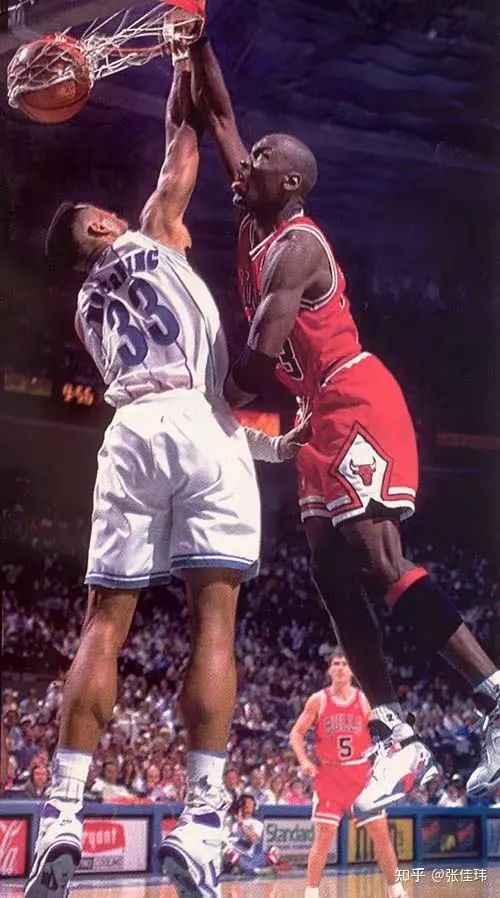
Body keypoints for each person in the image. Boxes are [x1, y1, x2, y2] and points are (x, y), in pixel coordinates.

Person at [188, 32, 500, 813]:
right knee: (330, 573)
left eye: (261, 159)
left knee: (377, 555)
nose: (246, 165)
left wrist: (194, 402)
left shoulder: (295, 248)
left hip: (354, 395)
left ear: (290, 182)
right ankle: (396, 732)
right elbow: (219, 115)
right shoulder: (257, 217)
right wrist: (191, 38)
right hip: (313, 412)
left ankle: (493, 697)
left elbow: (256, 364)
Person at [24, 53, 306, 898]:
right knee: (213, 623)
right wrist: (186, 49)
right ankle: (203, 821)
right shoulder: (151, 229)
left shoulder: (85, 310)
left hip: (130, 434)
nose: (111, 213)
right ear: (102, 231)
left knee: (102, 624)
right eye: (99, 216)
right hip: (197, 423)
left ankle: (61, 815)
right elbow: (183, 139)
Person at [290, 649, 407, 898]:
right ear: (329, 669)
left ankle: (396, 891)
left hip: (360, 775)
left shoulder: (364, 700)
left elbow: (384, 732)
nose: (340, 667)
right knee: (323, 838)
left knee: (381, 836)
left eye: (345, 663)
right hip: (329, 775)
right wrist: (303, 760)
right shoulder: (318, 700)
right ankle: (311, 893)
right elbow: (296, 733)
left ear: (352, 670)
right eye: (336, 663)